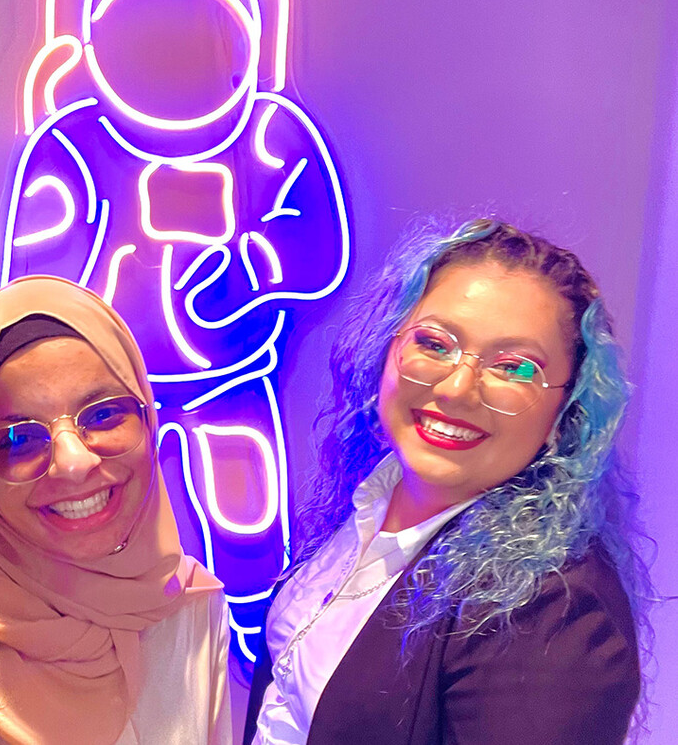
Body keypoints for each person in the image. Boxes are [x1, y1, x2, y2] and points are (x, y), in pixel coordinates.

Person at [245, 219, 648, 745]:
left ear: (564, 410)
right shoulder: (370, 501)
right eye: (435, 343)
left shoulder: (554, 609)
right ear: (386, 349)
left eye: (514, 367)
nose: (457, 388)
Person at [0, 275, 232, 745]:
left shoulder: (189, 607)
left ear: (148, 415)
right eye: (19, 439)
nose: (74, 463)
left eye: (103, 414)